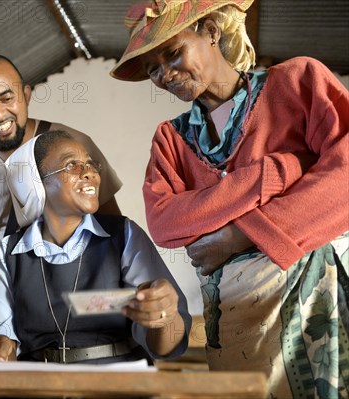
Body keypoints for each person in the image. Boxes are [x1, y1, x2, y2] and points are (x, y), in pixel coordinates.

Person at [111, 0, 349, 397]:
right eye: (153, 68)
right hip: (238, 320)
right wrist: (278, 172)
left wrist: (237, 237)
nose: (166, 74)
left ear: (210, 31)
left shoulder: (298, 81)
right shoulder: (171, 138)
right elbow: (166, 223)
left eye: (173, 53)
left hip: (317, 307)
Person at [0, 131, 191, 364]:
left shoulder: (125, 235)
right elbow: (3, 340)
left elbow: (166, 348)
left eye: (90, 164)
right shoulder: (9, 252)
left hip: (119, 382)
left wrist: (166, 317)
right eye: (72, 165)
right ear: (37, 183)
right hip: (40, 383)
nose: (90, 173)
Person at [0, 54, 123, 242]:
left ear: (26, 95)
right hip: (5, 269)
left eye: (6, 98)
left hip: (75, 268)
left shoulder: (77, 145)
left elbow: (114, 227)